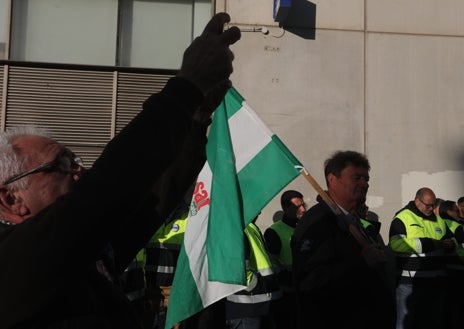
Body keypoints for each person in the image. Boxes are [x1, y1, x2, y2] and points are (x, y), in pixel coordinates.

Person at [0, 12, 241, 329]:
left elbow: (150, 198)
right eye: (61, 165)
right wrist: (187, 87)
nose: (80, 172)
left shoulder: (86, 252)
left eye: (76, 160)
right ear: (11, 199)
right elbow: (110, 186)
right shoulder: (14, 259)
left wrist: (195, 122)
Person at [291, 150, 395, 329]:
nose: (364, 184)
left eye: (366, 179)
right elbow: (310, 282)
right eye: (356, 178)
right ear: (332, 180)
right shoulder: (317, 222)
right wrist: (361, 262)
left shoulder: (353, 220)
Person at [389, 187, 457, 329]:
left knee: (431, 323)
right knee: (407, 324)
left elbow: (452, 240)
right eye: (428, 205)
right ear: (417, 201)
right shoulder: (403, 217)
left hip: (436, 282)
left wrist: (450, 245)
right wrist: (431, 243)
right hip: (410, 284)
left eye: (433, 205)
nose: (431, 208)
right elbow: (396, 244)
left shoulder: (438, 220)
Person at [225, 217, 281, 329]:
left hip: (256, 304)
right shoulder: (238, 229)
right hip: (246, 306)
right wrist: (255, 286)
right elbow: (237, 269)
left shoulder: (249, 226)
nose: (259, 212)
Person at [264, 190, 306, 329]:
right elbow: (273, 264)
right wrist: (288, 279)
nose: (303, 209)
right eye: (297, 206)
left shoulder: (307, 227)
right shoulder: (274, 232)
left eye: (303, 204)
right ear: (286, 208)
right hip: (287, 294)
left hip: (306, 290)